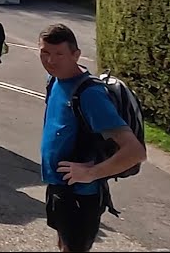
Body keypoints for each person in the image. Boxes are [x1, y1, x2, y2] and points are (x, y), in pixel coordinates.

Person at [40, 23, 145, 252]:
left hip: (81, 196)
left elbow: (135, 152)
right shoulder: (54, 81)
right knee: (64, 243)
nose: (50, 60)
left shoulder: (90, 95)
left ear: (76, 55)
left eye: (59, 54)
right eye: (45, 52)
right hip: (60, 187)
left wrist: (91, 173)